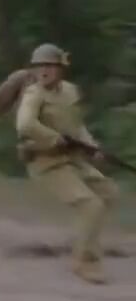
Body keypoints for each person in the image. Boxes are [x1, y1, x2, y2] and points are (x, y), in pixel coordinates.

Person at [15, 43, 120, 285]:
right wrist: (54, 139)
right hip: (46, 162)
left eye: (50, 66)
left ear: (60, 69)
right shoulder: (34, 94)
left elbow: (77, 126)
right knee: (91, 205)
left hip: (73, 158)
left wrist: (92, 148)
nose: (44, 70)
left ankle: (86, 244)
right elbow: (24, 125)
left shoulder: (70, 92)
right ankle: (84, 262)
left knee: (109, 193)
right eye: (39, 66)